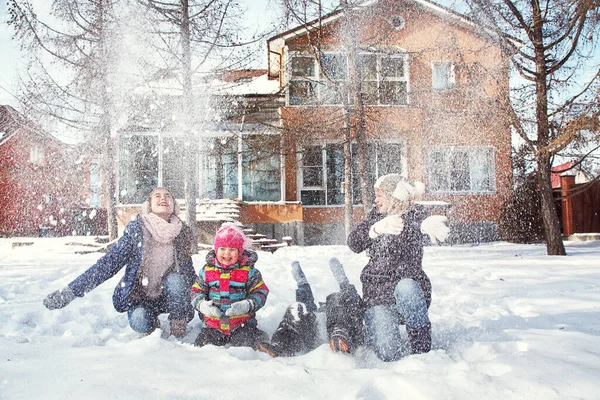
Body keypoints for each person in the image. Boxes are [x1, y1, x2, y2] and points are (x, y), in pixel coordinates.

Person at [43, 187, 196, 338]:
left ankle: (178, 323)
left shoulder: (181, 233)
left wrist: (211, 301)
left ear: (174, 205)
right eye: (157, 195)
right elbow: (108, 264)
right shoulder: (138, 231)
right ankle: (152, 323)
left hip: (168, 297)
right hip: (141, 297)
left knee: (176, 280)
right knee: (140, 321)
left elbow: (189, 274)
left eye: (167, 195)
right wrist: (71, 291)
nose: (163, 198)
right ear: (149, 205)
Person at [347, 173, 449, 361]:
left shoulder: (415, 216)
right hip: (377, 296)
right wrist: (375, 229)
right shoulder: (375, 217)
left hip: (408, 295)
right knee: (387, 352)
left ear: (394, 197)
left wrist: (425, 226)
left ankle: (421, 345)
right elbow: (353, 243)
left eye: (380, 195)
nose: (375, 200)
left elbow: (415, 225)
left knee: (407, 287)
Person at [255, 257, 364, 357]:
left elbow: (355, 303)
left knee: (336, 298)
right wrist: (302, 285)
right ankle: (281, 345)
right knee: (297, 308)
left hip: (342, 330)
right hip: (314, 334)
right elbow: (306, 309)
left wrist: (344, 282)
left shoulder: (342, 306)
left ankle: (339, 338)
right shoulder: (316, 315)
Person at [191, 224, 270, 348]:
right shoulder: (207, 271)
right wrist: (202, 305)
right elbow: (195, 291)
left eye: (232, 249)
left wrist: (248, 305)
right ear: (216, 250)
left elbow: (261, 292)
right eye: (222, 248)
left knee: (245, 345)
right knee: (202, 347)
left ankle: (259, 340)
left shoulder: (249, 272)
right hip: (213, 326)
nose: (227, 253)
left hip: (241, 325)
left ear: (240, 252)